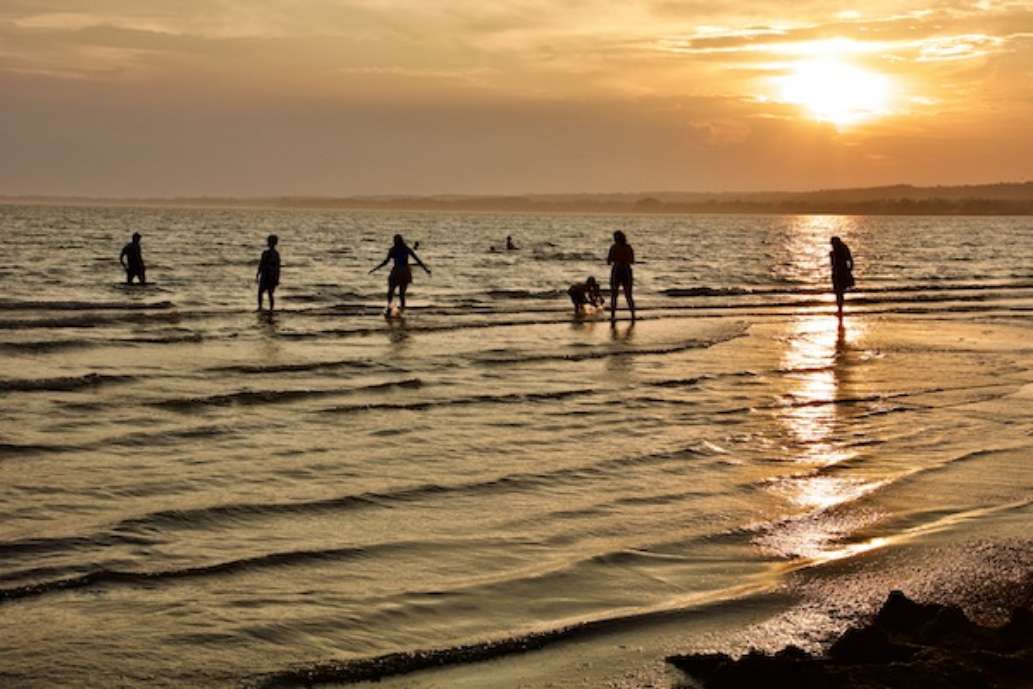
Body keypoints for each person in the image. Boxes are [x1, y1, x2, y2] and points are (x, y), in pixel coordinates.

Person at [370, 234, 431, 311]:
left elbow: (417, 260)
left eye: (395, 240)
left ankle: (396, 308)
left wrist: (426, 269)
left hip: (400, 271)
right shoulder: (398, 249)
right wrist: (375, 269)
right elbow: (386, 262)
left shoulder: (400, 249)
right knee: (395, 292)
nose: (394, 241)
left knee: (395, 292)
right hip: (402, 271)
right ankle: (394, 308)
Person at [607, 230, 635, 323]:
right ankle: (632, 315)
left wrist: (616, 259)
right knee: (628, 295)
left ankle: (613, 315)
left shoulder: (614, 247)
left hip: (617, 270)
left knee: (614, 294)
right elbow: (632, 261)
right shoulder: (628, 247)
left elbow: (609, 261)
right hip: (627, 270)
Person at [829, 236, 854, 318]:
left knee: (839, 292)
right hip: (838, 273)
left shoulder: (841, 249)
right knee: (839, 292)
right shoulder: (836, 251)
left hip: (841, 273)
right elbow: (850, 261)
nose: (832, 245)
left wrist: (849, 270)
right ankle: (840, 309)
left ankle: (840, 309)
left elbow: (850, 260)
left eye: (832, 243)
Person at [256, 234, 281, 312]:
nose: (270, 243)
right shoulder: (265, 253)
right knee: (260, 292)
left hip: (271, 275)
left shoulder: (276, 254)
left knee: (269, 293)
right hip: (265, 274)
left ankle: (271, 309)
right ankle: (260, 307)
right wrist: (258, 273)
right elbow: (261, 263)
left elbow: (277, 267)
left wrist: (277, 278)